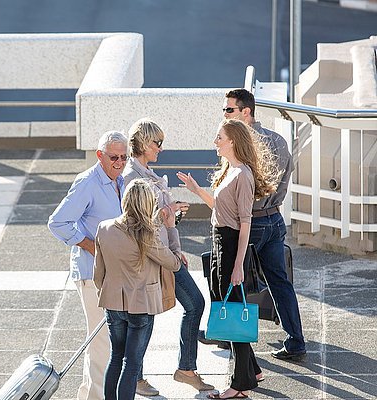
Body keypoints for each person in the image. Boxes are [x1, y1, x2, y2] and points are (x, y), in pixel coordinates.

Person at [178, 119, 279, 399]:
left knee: (232, 311)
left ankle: (240, 386)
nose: (216, 142)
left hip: (232, 246)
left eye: (219, 137)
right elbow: (221, 209)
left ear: (232, 140)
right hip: (221, 241)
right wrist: (197, 191)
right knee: (228, 306)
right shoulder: (230, 171)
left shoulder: (243, 175)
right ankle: (253, 370)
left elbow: (245, 222)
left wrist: (237, 266)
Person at [122, 117, 214, 393]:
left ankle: (185, 369)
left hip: (165, 253)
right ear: (141, 143)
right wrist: (166, 216)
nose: (160, 148)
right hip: (150, 256)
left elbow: (165, 220)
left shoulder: (147, 174)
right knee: (145, 316)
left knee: (195, 303)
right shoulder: (131, 177)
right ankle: (137, 378)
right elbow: (136, 222)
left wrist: (175, 238)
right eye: (156, 142)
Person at [222, 88, 306, 361]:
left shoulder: (241, 144)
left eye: (229, 110)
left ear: (246, 112)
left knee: (232, 278)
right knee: (280, 282)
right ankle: (296, 341)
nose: (224, 115)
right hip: (275, 219)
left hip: (250, 222)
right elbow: (285, 179)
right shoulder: (279, 141)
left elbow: (239, 190)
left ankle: (229, 338)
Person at [48, 130, 128, 400]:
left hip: (115, 273)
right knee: (102, 341)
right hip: (92, 274)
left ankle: (89, 395)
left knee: (109, 340)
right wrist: (93, 247)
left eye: (124, 157)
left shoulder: (121, 180)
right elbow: (57, 223)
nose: (119, 162)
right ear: (99, 155)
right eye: (113, 157)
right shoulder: (87, 183)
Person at [93, 179, 183, 400]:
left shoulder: (104, 228)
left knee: (115, 358)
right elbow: (174, 263)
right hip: (141, 305)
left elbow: (98, 274)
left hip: (112, 302)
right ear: (147, 204)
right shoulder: (147, 234)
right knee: (132, 364)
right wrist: (172, 230)